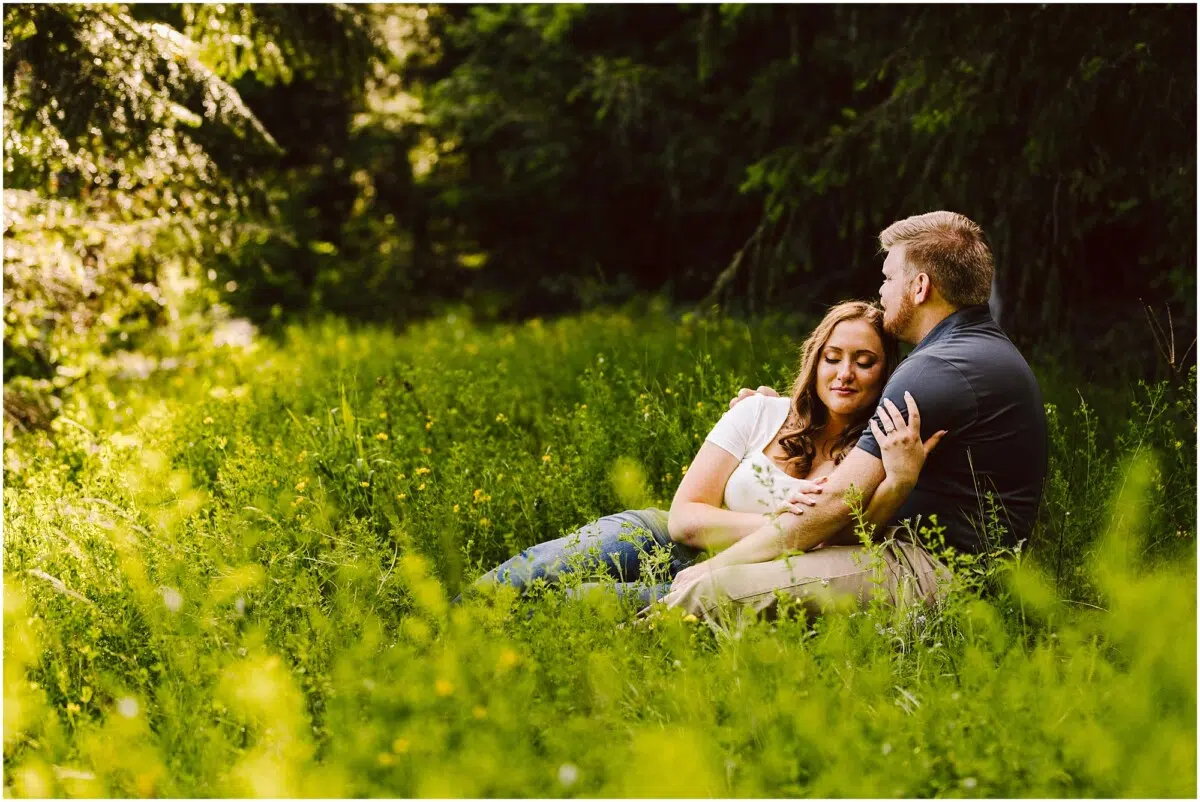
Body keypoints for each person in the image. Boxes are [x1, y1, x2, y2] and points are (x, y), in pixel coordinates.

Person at [663, 211, 1048, 623]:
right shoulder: (982, 351)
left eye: (888, 278)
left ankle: (629, 624)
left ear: (920, 287)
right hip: (949, 566)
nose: (882, 291)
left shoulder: (935, 368)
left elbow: (833, 504)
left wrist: (715, 567)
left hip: (927, 569)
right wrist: (780, 409)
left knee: (711, 590)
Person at [467, 300, 943, 607]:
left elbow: (854, 544)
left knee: (578, 603)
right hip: (661, 538)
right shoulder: (758, 411)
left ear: (887, 374)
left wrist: (899, 482)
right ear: (814, 360)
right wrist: (791, 527)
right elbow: (685, 519)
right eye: (832, 357)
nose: (844, 374)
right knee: (535, 570)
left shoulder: (874, 456)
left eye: (865, 362)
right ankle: (444, 624)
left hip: (733, 579)